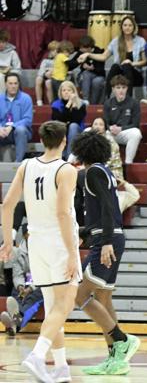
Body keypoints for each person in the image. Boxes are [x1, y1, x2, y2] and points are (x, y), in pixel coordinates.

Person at [0, 120, 82, 382]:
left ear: (42, 140)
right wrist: (72, 253)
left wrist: (7, 242)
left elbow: (7, 205)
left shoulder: (26, 165)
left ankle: (61, 367)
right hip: (59, 241)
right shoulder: (66, 169)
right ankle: (37, 355)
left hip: (35, 242)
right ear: (64, 141)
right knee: (65, 304)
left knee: (53, 307)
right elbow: (63, 213)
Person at [71, 131, 140, 376]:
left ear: (82, 151)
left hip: (107, 239)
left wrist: (107, 241)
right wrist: (84, 232)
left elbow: (110, 207)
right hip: (107, 236)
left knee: (79, 295)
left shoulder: (93, 172)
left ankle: (122, 339)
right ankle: (115, 359)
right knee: (103, 299)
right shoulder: (103, 171)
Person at [79, 15, 147, 97]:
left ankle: (128, 99)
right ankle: (107, 98)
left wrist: (132, 63)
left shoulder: (140, 41)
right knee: (115, 66)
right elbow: (103, 57)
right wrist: (88, 54)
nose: (127, 28)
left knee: (126, 65)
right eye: (125, 25)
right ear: (121, 27)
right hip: (119, 76)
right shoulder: (116, 41)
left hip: (135, 76)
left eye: (130, 25)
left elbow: (145, 61)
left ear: (134, 27)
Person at [0, 225, 45, 337]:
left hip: (41, 285)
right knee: (16, 294)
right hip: (25, 283)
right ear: (25, 236)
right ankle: (15, 323)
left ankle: (15, 322)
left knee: (32, 299)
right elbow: (17, 273)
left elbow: (44, 274)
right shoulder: (19, 252)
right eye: (28, 234)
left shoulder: (45, 250)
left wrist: (30, 288)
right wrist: (20, 286)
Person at [103, 75, 142, 165]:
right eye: (118, 87)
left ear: (127, 88)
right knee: (96, 132)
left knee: (136, 133)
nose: (121, 90)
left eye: (123, 87)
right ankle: (107, 164)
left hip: (125, 132)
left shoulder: (134, 103)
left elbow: (135, 124)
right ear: (113, 89)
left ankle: (128, 163)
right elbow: (105, 122)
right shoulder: (108, 103)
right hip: (111, 133)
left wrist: (121, 129)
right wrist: (110, 128)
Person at [0, 73, 33, 162]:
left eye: (15, 83)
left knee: (20, 130)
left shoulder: (26, 98)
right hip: (3, 131)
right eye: (10, 83)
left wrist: (12, 126)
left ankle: (18, 162)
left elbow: (28, 120)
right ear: (5, 84)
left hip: (20, 132)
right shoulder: (0, 98)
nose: (13, 86)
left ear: (18, 84)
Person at [51, 80, 86, 159]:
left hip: (77, 132)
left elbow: (76, 120)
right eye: (64, 90)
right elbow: (60, 120)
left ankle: (69, 157)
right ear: (60, 92)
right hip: (61, 131)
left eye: (69, 90)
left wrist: (74, 105)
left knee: (73, 126)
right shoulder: (56, 105)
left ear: (73, 92)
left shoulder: (81, 104)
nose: (66, 92)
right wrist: (69, 103)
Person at [66, 35, 106, 104]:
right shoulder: (81, 52)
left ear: (89, 48)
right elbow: (70, 66)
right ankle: (86, 100)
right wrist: (78, 62)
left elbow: (101, 70)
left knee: (96, 81)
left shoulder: (99, 52)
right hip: (84, 76)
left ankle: (92, 104)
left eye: (82, 48)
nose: (80, 50)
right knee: (86, 73)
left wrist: (91, 68)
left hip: (98, 75)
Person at [35, 40, 58, 106]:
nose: (54, 52)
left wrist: (52, 72)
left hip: (55, 77)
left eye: (56, 50)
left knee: (48, 82)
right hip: (45, 75)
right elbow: (41, 71)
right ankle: (39, 101)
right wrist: (45, 74)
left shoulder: (61, 60)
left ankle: (51, 103)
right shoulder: (45, 61)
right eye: (52, 50)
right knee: (38, 79)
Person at [0, 29, 21, 95]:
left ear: (6, 42)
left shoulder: (12, 53)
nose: (0, 44)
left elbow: (18, 69)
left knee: (1, 77)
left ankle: (2, 98)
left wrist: (9, 71)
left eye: (3, 42)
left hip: (8, 75)